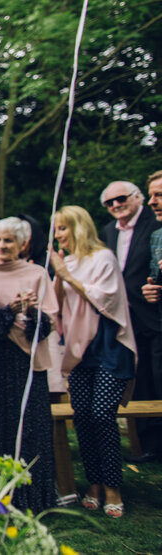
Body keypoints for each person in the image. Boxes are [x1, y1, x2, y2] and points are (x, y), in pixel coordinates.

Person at [50, 205, 137, 519]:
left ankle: (113, 485)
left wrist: (66, 275)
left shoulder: (103, 257)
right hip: (78, 349)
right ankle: (95, 482)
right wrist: (58, 277)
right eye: (55, 229)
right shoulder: (66, 263)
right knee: (83, 417)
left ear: (77, 227)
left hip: (108, 345)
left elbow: (107, 299)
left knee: (102, 415)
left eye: (62, 228)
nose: (57, 235)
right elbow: (56, 308)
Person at [0, 217, 58, 512]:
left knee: (30, 428)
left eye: (8, 241)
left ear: (22, 244)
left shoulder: (37, 273)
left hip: (25, 361)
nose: (0, 246)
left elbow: (50, 321)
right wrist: (8, 311)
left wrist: (33, 311)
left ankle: (32, 497)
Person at [99, 180, 162, 463]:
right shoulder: (108, 232)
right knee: (139, 380)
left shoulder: (155, 223)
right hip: (124, 320)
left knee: (160, 376)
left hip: (154, 314)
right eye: (109, 203)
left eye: (121, 198)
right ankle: (149, 445)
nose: (115, 205)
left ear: (136, 198)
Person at [141, 172, 162, 462]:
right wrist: (151, 290)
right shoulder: (157, 235)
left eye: (158, 195)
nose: (152, 201)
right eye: (152, 195)